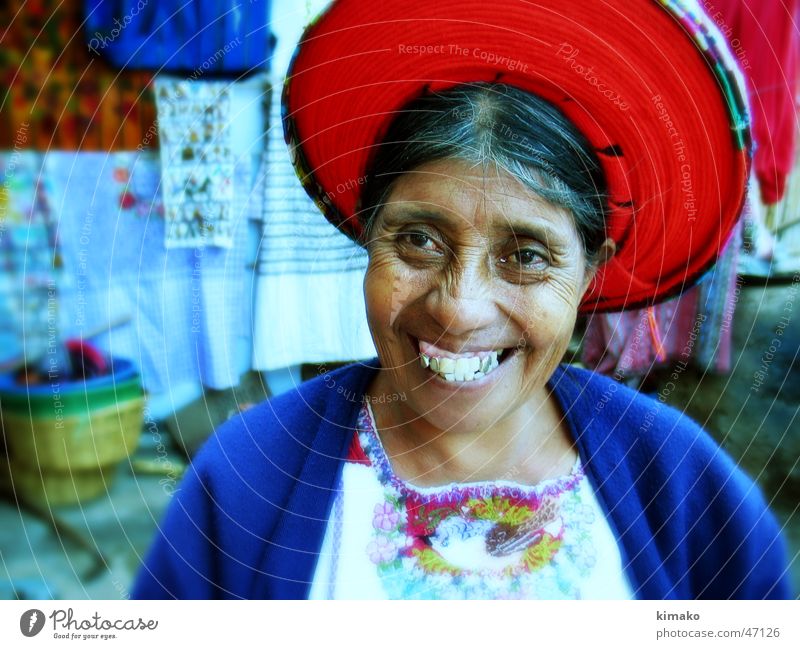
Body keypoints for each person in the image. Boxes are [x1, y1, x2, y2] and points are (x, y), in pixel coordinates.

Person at [132, 0, 791, 599]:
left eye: (527, 255)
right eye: (417, 240)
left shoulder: (680, 484)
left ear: (591, 271)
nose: (460, 309)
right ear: (369, 236)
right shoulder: (247, 478)